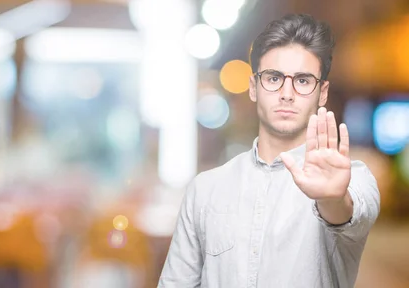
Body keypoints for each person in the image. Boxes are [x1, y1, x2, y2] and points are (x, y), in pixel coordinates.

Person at [158, 13, 380, 288]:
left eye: (302, 80)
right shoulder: (204, 189)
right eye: (274, 78)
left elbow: (348, 214)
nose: (287, 93)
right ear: (253, 87)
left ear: (322, 92)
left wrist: (332, 198)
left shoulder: (352, 178)